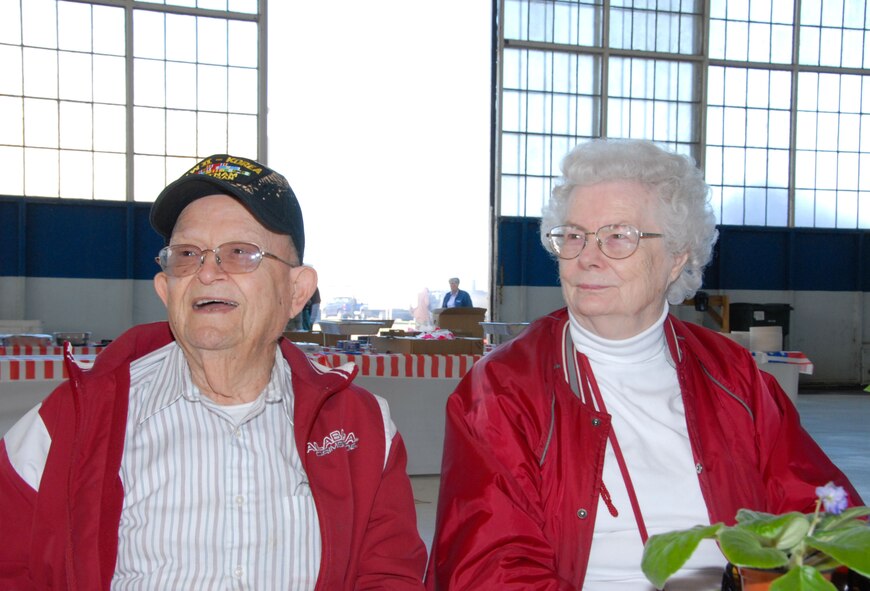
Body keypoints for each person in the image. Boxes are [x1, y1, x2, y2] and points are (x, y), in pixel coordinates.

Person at [425, 139, 862, 590]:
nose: (587, 257)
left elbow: (827, 516)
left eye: (619, 235)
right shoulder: (503, 386)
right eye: (574, 235)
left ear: (677, 258)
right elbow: (489, 566)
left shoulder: (733, 374)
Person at [0, 154, 427, 589]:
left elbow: (389, 574)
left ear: (297, 291)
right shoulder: (68, 424)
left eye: (240, 253)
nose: (206, 272)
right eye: (187, 255)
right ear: (166, 289)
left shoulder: (364, 428)